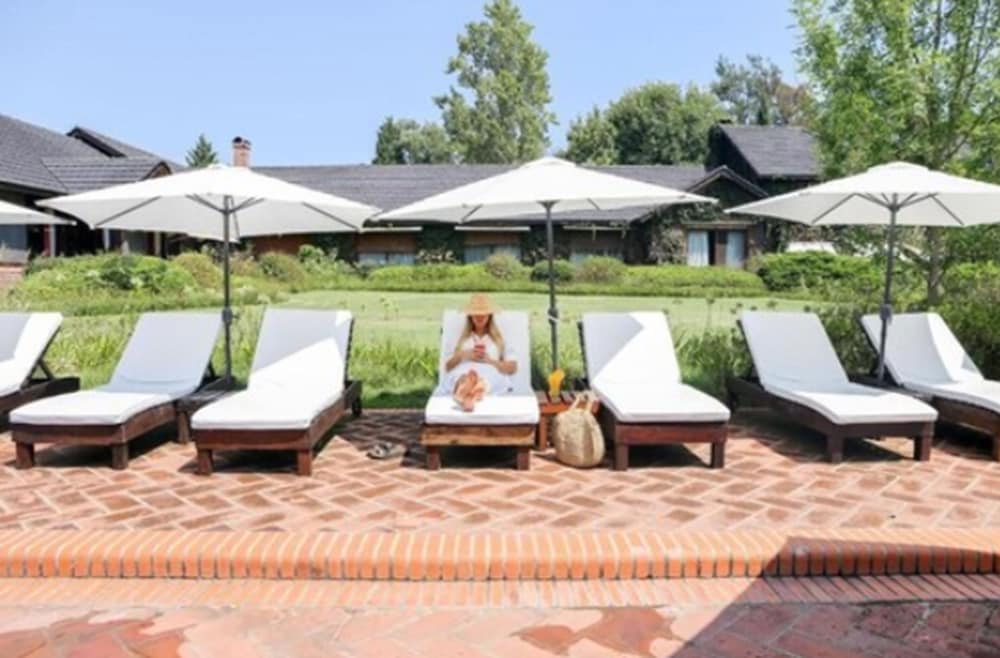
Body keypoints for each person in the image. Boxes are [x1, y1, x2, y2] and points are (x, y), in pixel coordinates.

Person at [445, 293, 518, 412]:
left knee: (484, 379)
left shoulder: (500, 339)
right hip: (464, 370)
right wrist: (463, 354)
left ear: (489, 315)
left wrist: (490, 360)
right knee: (465, 377)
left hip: (490, 371)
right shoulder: (461, 338)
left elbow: (512, 368)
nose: (480, 316)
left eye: (483, 313)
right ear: (470, 315)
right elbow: (448, 367)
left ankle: (467, 395)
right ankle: (468, 393)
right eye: (476, 313)